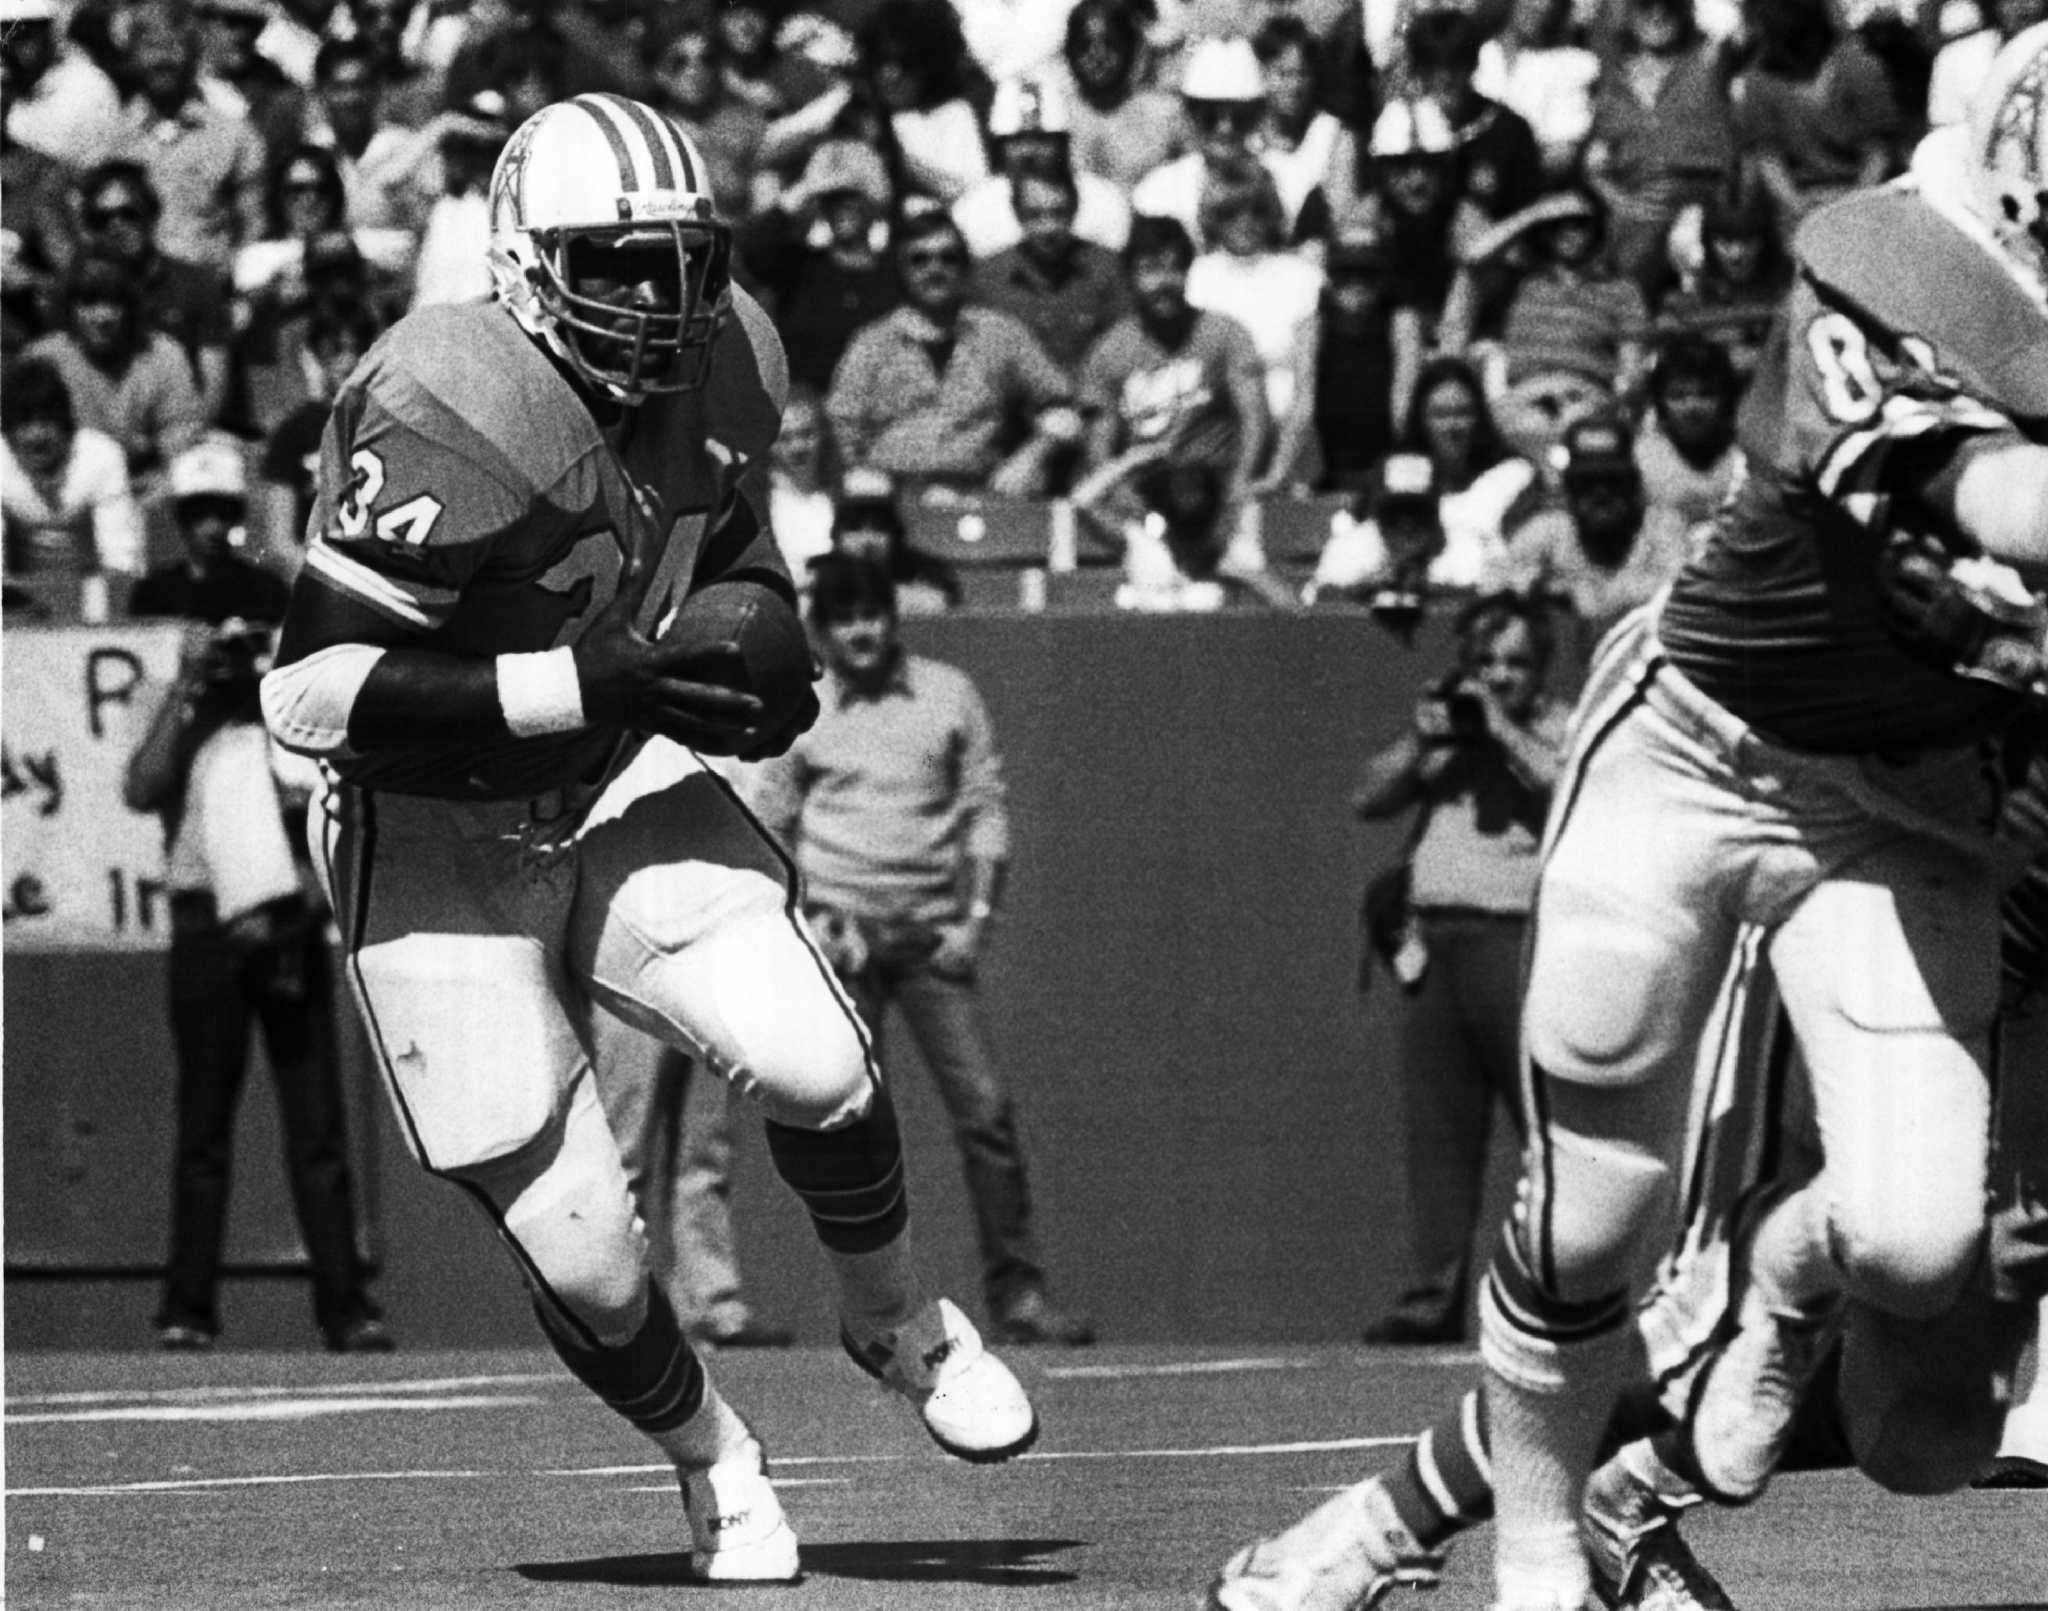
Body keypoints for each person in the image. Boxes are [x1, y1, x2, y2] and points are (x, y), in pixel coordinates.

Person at [259, 93, 1039, 1581]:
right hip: (427, 823)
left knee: (815, 1054)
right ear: (523, 260)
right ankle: (716, 1460)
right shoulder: (445, 391)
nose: (661, 298)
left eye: (683, 260)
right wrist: (575, 681)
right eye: (618, 262)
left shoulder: (731, 351)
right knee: (593, 1254)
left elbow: (725, 535)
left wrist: (764, 644)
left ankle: (900, 1320)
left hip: (610, 771)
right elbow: (308, 690)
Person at [1481, 26, 2048, 1610]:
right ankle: (1528, 1549)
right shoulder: (1894, 266)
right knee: (1596, 1204)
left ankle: (1777, 1285)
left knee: (1924, 1248)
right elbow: (1993, 496)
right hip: (1705, 742)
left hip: (1911, 808)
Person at [748, 553, 1098, 1347]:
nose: (861, 631)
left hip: (930, 943)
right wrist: (809, 920)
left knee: (985, 1112)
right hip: (839, 946)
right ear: (821, 632)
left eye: (872, 614)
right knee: (848, 1128)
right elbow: (765, 825)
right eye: (843, 619)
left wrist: (976, 918)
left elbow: (987, 807)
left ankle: (1020, 1298)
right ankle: (875, 1314)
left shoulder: (949, 693)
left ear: (894, 618)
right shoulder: (801, 707)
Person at [126, 435, 393, 1355]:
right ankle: (187, 1304)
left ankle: (345, 1304)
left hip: (283, 915)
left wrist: (262, 691)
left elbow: (319, 798)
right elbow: (138, 785)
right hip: (204, 914)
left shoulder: (288, 710)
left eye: (251, 631)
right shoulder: (180, 697)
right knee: (203, 1123)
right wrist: (193, 688)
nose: (239, 643)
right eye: (224, 631)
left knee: (315, 1122)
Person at [1352, 592, 1567, 1344]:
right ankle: (1432, 1294)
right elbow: (1367, 796)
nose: (1498, 676)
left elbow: (1565, 785)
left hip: (1516, 943)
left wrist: (1501, 730)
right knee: (1439, 1130)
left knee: (1549, 1126)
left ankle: (1560, 1288)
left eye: (1514, 663)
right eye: (1485, 662)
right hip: (1434, 946)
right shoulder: (1446, 736)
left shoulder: (1554, 726)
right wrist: (1422, 742)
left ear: (1539, 672)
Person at [825, 210, 1081, 496]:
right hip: (894, 497)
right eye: (919, 259)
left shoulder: (1000, 333)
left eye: (948, 257)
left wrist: (1031, 457)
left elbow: (1064, 406)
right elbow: (840, 427)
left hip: (980, 494)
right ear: (901, 269)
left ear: (963, 265)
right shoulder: (871, 343)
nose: (935, 269)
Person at [1079, 214, 1271, 520]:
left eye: (1174, 268)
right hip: (1144, 489)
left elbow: (1254, 416)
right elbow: (1100, 441)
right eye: (1150, 270)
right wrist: (1118, 491)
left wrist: (1241, 480)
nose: (1164, 282)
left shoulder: (1224, 334)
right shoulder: (1109, 351)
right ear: (1130, 277)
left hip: (1213, 486)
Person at [1487, 410, 1701, 648]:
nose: (1600, 494)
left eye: (1611, 480)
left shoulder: (1662, 526)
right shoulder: (1548, 530)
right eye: (1587, 482)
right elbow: (1493, 586)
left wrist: (1590, 595)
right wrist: (1540, 590)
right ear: (1569, 487)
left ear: (1632, 483)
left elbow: (1683, 594)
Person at [1, 355, 145, 608]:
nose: (37, 436)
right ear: (7, 431)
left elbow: (121, 561)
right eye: (24, 423)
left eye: (47, 421)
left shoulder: (101, 455)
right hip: (18, 603)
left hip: (96, 595)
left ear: (67, 423)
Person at [951, 74, 1131, 261]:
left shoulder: (1105, 201)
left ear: (1063, 144)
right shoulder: (972, 209)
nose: (1028, 152)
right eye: (1017, 141)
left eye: (1041, 140)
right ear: (1000, 147)